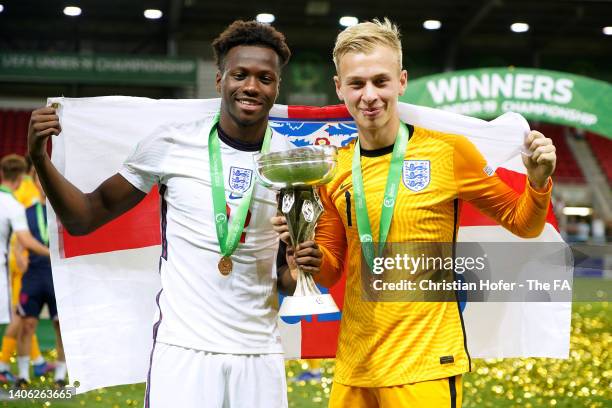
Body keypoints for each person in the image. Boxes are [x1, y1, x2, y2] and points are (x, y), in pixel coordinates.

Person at [274, 18, 556, 407]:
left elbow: (523, 224)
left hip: (425, 364)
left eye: (380, 81)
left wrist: (537, 183)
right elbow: (332, 268)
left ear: (401, 81)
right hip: (356, 364)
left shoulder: (447, 152)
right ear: (339, 88)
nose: (369, 95)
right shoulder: (334, 169)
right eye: (356, 84)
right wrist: (308, 255)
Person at [28, 20, 311, 408]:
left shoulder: (288, 164)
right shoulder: (172, 143)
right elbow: (85, 217)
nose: (251, 86)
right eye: (239, 75)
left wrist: (298, 273)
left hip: (259, 353)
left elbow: (286, 277)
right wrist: (39, 161)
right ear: (219, 80)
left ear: (277, 87)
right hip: (184, 350)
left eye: (265, 78)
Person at [0, 157, 55, 384]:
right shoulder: (22, 196)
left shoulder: (27, 193)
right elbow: (23, 234)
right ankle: (4, 364)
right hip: (20, 264)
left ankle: (37, 361)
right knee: (19, 317)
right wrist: (20, 255)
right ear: (26, 173)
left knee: (23, 317)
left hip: (17, 262)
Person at [15, 169, 67, 388]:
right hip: (34, 275)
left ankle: (60, 377)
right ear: (36, 182)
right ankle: (23, 376)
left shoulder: (64, 212)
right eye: (39, 178)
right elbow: (19, 243)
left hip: (58, 275)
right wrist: (19, 257)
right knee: (27, 325)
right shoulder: (26, 212)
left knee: (60, 327)